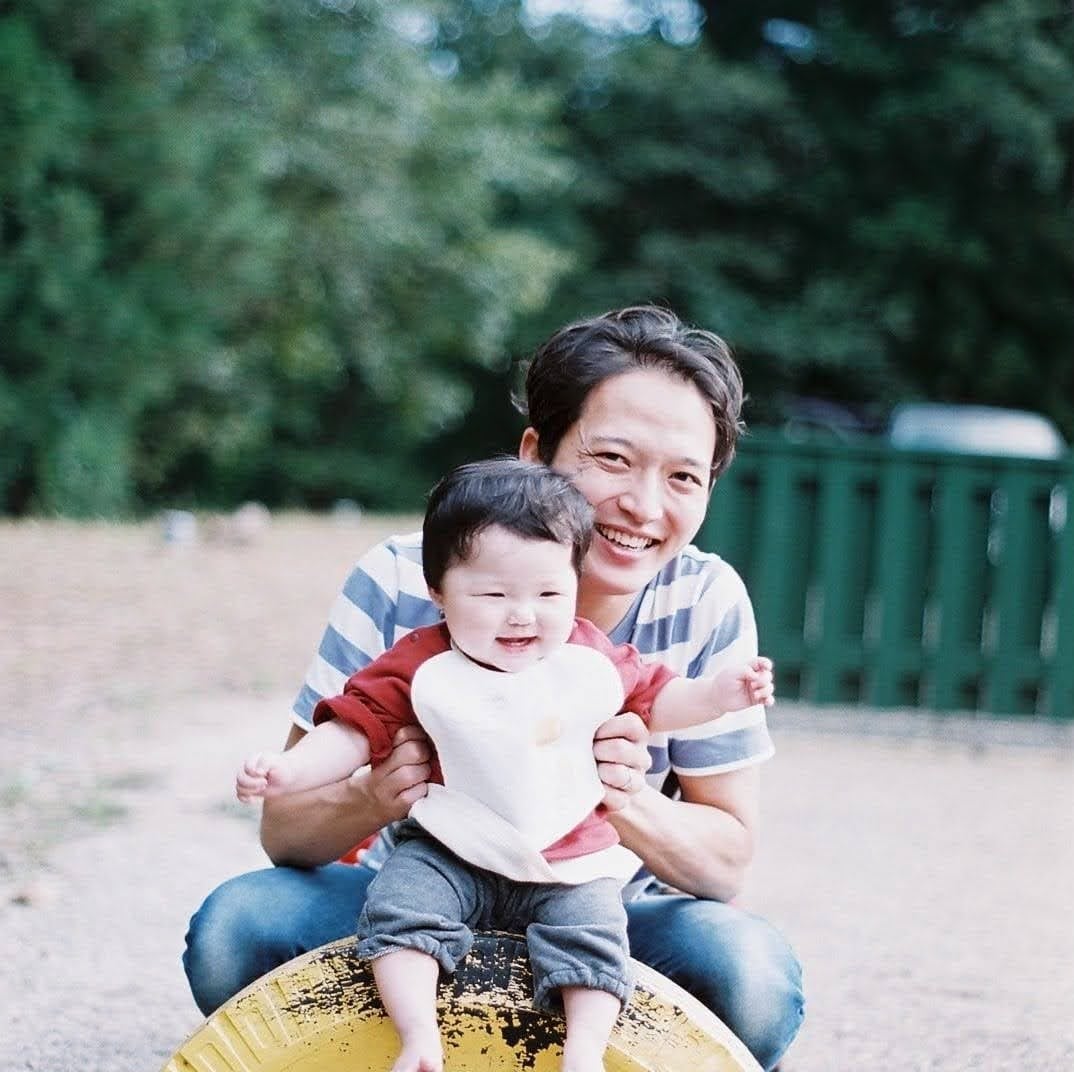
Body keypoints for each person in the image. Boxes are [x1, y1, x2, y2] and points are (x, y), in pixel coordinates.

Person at [183, 305, 805, 1070]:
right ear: (535, 453)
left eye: (682, 476)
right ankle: (424, 1033)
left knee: (752, 979)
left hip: (594, 907)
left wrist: (624, 798)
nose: (645, 507)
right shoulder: (406, 576)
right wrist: (377, 793)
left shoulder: (703, 600)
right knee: (236, 931)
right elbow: (286, 833)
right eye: (613, 459)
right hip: (420, 892)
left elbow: (724, 865)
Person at [235, 458, 776, 1072]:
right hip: (450, 848)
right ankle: (417, 1034)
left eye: (549, 595)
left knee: (595, 932)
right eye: (493, 595)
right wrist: (291, 772)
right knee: (401, 910)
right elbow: (353, 731)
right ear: (439, 593)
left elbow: (661, 699)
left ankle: (585, 1050)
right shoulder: (421, 665)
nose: (523, 614)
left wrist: (721, 694)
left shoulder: (590, 659)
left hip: (567, 855)